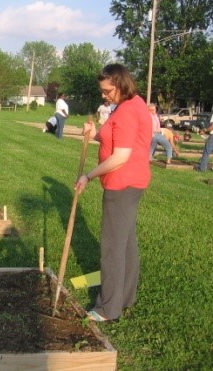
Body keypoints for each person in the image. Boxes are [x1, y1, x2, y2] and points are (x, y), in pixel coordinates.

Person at [75, 63, 152, 322]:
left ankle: (108, 309)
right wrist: (95, 133)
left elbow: (120, 156)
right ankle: (125, 297)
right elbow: (117, 139)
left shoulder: (128, 110)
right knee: (126, 244)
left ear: (120, 85)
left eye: (107, 91)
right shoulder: (134, 104)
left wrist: (89, 175)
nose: (104, 95)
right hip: (132, 182)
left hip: (122, 183)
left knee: (112, 248)